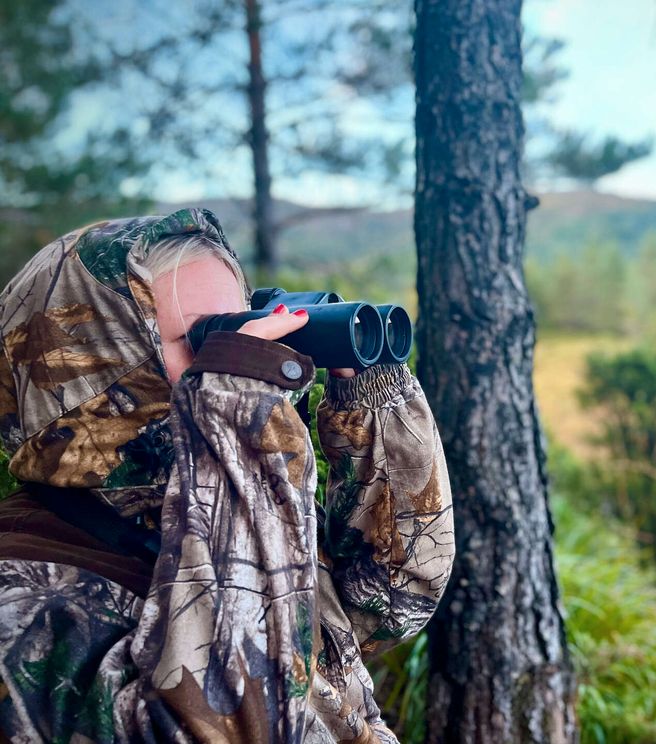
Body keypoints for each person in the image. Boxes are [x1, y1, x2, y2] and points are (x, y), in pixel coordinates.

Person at [0, 209, 455, 742]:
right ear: (100, 369)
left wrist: (372, 402)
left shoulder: (198, 511)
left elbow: (387, 598)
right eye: (207, 339)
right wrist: (239, 420)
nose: (254, 354)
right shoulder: (26, 595)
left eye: (240, 324)